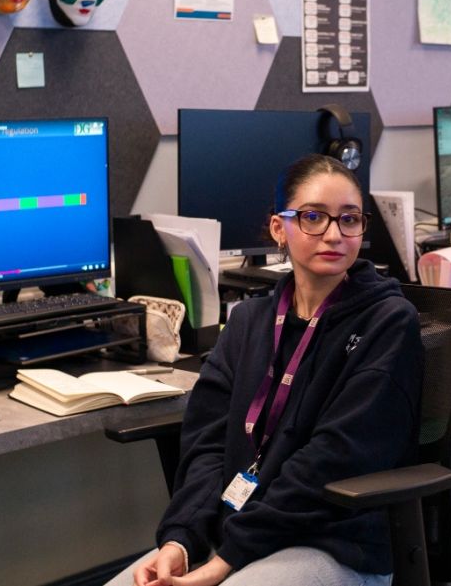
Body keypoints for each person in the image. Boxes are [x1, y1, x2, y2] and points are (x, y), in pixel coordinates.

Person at [133, 154, 424, 586]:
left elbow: (334, 459)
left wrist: (226, 559)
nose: (333, 234)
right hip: (235, 533)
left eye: (349, 219)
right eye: (313, 217)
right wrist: (181, 539)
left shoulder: (388, 321)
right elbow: (206, 445)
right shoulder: (249, 322)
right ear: (278, 229)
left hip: (331, 540)